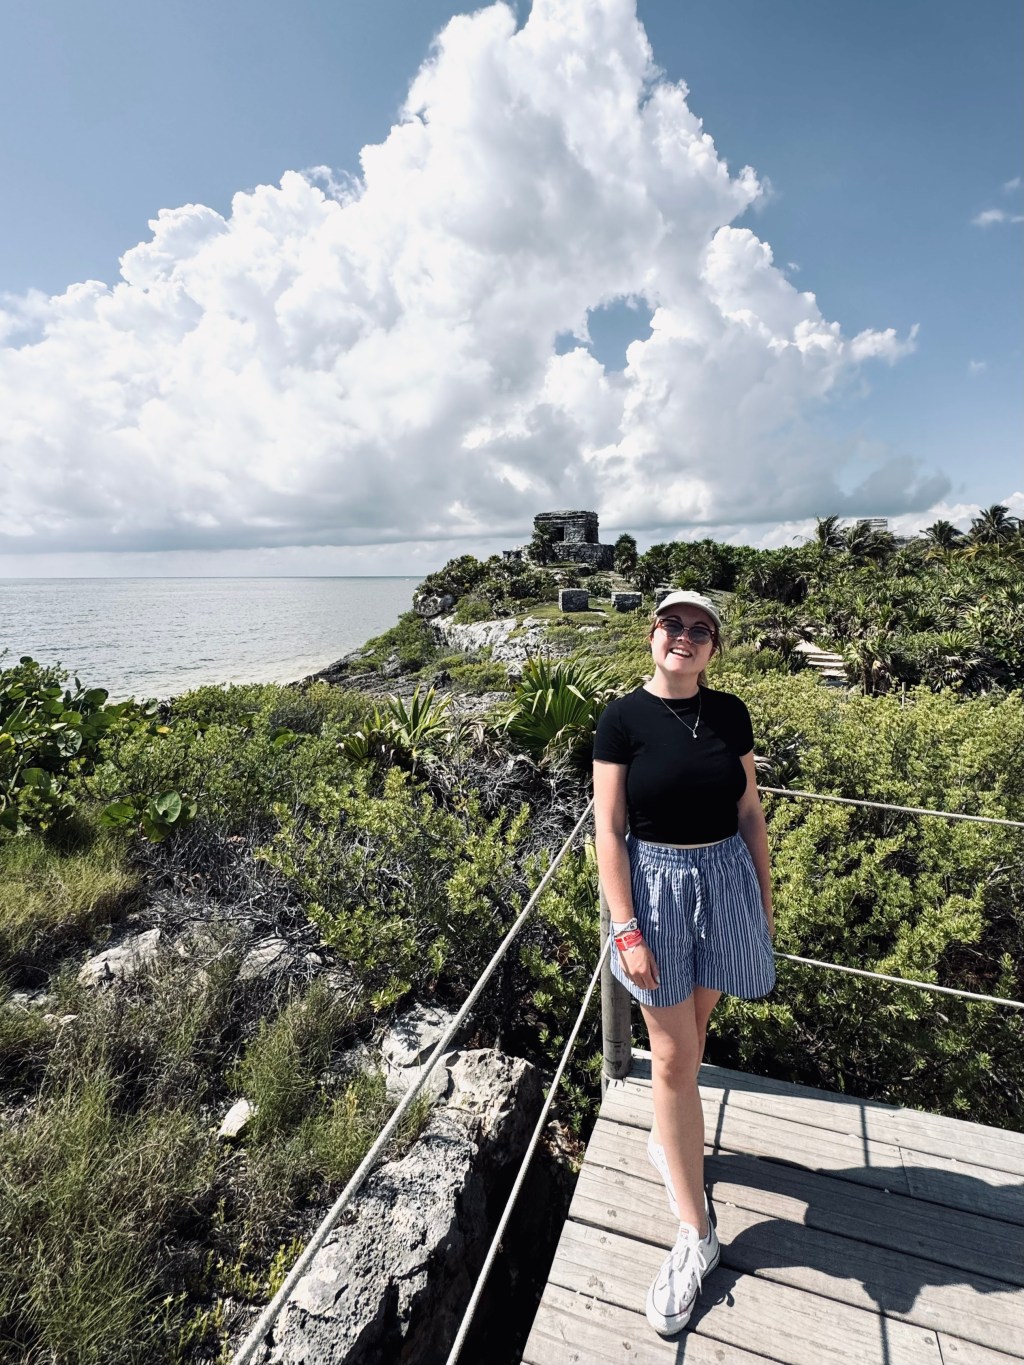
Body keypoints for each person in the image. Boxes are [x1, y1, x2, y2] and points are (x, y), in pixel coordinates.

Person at [592, 588, 776, 1338]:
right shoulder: (620, 718)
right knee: (671, 1059)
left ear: (713, 647)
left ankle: (674, 1140)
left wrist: (763, 899)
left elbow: (750, 811)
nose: (686, 636)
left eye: (702, 630)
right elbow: (608, 829)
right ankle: (698, 1231)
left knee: (692, 1045)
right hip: (656, 893)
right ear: (652, 634)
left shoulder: (729, 712)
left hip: (726, 880)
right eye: (674, 624)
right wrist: (626, 925)